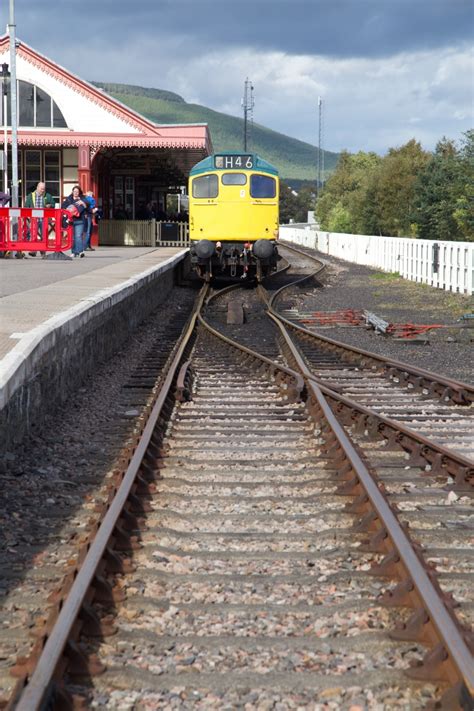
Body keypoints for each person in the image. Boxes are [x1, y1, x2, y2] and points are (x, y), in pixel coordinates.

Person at [24, 182, 54, 257]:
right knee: (33, 235)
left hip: (44, 219)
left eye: (43, 189)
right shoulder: (31, 196)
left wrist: (50, 205)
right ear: (37, 187)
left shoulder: (48, 195)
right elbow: (26, 207)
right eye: (41, 189)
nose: (42, 190)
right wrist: (28, 218)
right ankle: (33, 250)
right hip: (33, 219)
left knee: (44, 236)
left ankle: (43, 251)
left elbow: (53, 204)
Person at [62, 186, 87, 257]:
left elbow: (87, 207)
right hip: (71, 221)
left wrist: (83, 204)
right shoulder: (68, 199)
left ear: (79, 193)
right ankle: (73, 252)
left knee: (78, 236)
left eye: (77, 192)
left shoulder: (82, 199)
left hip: (80, 220)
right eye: (74, 191)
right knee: (72, 237)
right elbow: (63, 207)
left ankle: (80, 251)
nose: (76, 193)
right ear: (72, 192)